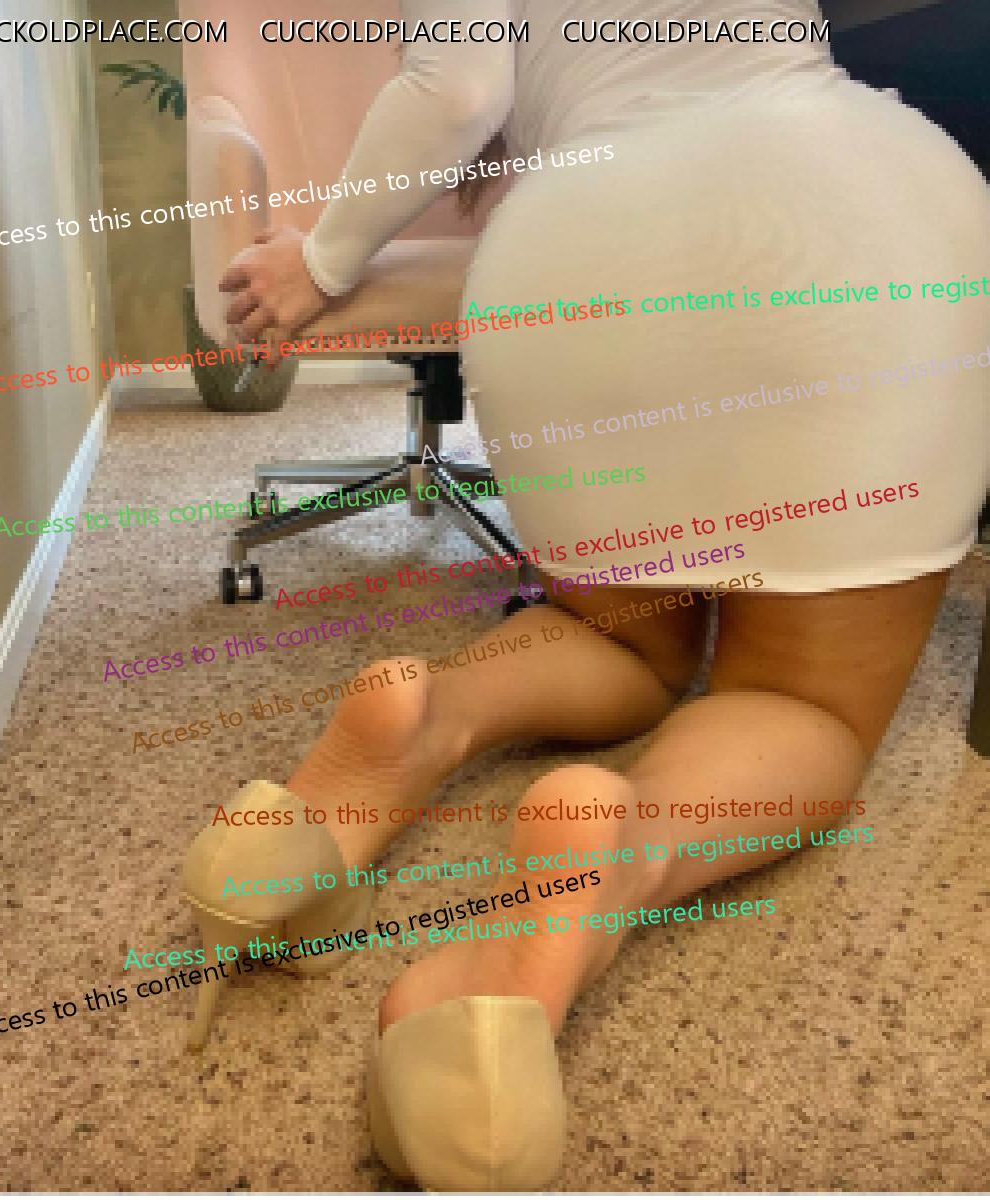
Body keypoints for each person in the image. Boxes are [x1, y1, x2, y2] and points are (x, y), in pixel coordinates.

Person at [189, 0, 989, 1189]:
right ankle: (620, 851)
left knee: (610, 631)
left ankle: (430, 715)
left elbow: (458, 89)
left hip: (579, 249)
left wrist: (320, 261)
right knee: (801, 703)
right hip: (855, 224)